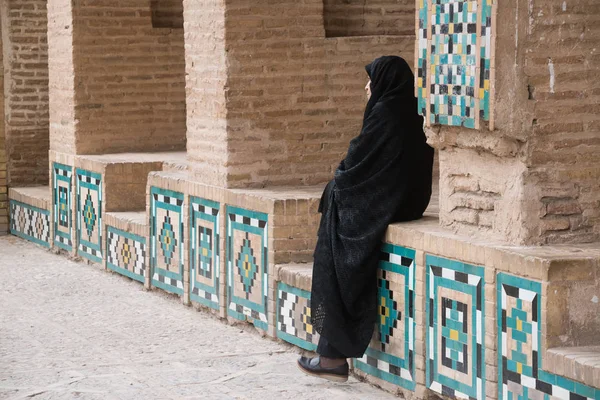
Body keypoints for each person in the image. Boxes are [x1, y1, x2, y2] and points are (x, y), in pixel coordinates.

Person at [297, 55, 434, 382]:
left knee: (330, 255)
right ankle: (327, 347)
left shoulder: (386, 114)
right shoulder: (409, 111)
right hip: (403, 202)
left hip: (385, 203)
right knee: (334, 228)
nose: (366, 87)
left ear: (384, 82)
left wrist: (338, 181)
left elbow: (357, 162)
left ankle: (331, 356)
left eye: (370, 80)